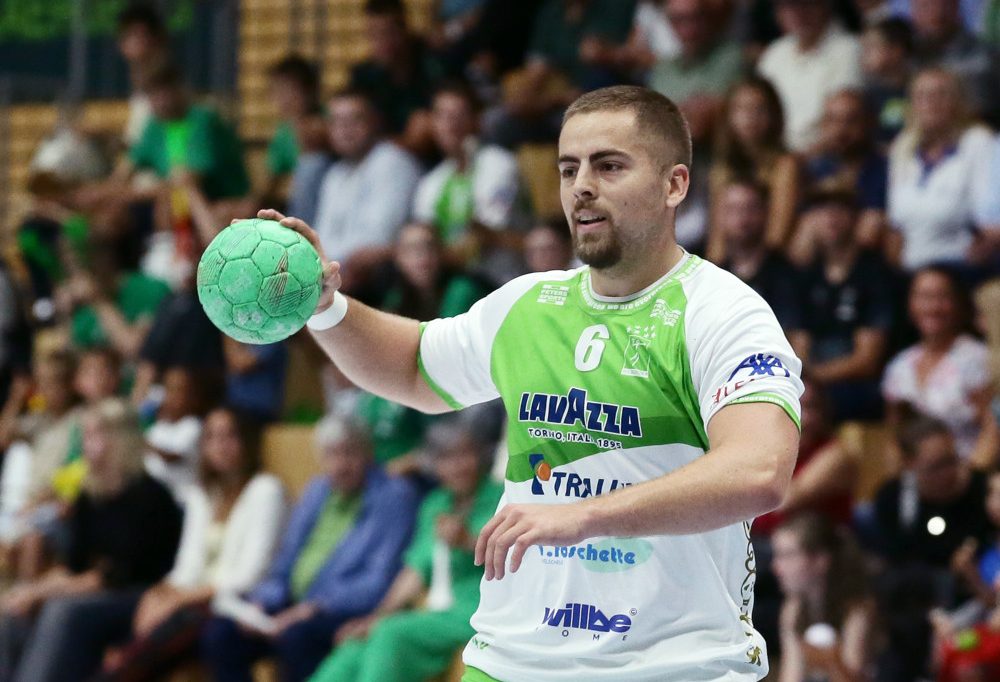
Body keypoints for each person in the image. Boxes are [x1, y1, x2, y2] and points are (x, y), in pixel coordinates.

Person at [257, 84, 803, 680]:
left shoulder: (722, 312)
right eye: (569, 169)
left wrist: (585, 514)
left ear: (675, 185)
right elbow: (412, 366)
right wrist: (326, 306)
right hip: (513, 659)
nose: (582, 186)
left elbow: (758, 470)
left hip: (670, 665)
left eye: (610, 165)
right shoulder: (528, 303)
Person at [200, 414, 418, 682]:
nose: (340, 465)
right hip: (294, 604)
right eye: (331, 455)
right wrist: (261, 602)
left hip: (341, 609)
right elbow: (285, 559)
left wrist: (315, 607)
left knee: (296, 638)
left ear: (368, 453)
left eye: (349, 453)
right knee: (222, 634)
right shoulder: (318, 489)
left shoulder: (393, 496)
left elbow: (378, 580)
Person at [96, 408, 286, 681]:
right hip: (194, 604)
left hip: (236, 606)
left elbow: (250, 576)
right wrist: (160, 593)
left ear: (247, 441)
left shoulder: (267, 490)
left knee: (144, 651)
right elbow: (187, 568)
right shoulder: (202, 495)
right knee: (147, 618)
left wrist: (178, 599)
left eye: (229, 436)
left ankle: (119, 665)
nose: (220, 446)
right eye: (211, 437)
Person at [0, 398, 182, 682]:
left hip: (140, 595)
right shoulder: (89, 495)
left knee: (62, 611)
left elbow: (114, 576)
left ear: (120, 439)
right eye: (85, 434)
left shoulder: (150, 497)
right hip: (96, 590)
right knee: (15, 607)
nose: (85, 442)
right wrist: (30, 590)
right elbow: (73, 566)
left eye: (94, 433)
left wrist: (41, 593)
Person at [309, 419, 504, 682]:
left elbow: (516, 556)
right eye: (448, 458)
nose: (459, 466)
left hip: (479, 610)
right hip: (436, 613)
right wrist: (375, 618)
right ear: (435, 465)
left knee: (391, 634)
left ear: (480, 455)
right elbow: (414, 570)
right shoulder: (435, 504)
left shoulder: (502, 497)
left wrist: (468, 540)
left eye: (465, 454)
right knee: (354, 646)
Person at [797, 189, 895, 421]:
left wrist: (812, 377)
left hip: (856, 388)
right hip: (811, 383)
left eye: (839, 209)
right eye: (822, 210)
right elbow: (799, 342)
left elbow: (866, 360)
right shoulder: (807, 275)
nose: (831, 217)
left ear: (856, 217)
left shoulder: (874, 273)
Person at [887, 67, 996, 273]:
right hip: (912, 269)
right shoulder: (902, 146)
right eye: (921, 96)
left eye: (940, 95)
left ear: (959, 102)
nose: (930, 103)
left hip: (960, 265)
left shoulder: (979, 142)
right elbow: (896, 225)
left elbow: (992, 222)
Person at [882, 267, 994, 466]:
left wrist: (971, 478)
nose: (933, 307)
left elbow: (992, 428)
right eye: (924, 297)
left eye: (942, 297)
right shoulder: (899, 367)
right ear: (910, 304)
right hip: (918, 481)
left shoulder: (977, 360)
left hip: (966, 474)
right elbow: (894, 433)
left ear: (959, 304)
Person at [311, 89, 423, 286]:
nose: (344, 130)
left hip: (383, 276)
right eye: (336, 122)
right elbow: (321, 239)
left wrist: (331, 269)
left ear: (374, 122)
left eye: (354, 120)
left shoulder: (392, 162)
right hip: (337, 273)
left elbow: (380, 240)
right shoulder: (334, 174)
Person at [412, 83, 527, 269]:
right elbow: (423, 237)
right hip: (451, 281)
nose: (451, 123)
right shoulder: (430, 183)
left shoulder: (499, 164)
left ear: (476, 120)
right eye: (442, 115)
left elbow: (484, 237)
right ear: (432, 123)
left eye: (459, 114)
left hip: (500, 279)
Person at [772, 514, 876, 682]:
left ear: (821, 560)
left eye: (788, 555)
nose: (776, 567)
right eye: (777, 555)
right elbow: (791, 676)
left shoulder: (857, 609)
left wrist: (831, 662)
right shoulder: (792, 609)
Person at [706, 78, 801, 263]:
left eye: (760, 109)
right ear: (728, 115)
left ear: (774, 115)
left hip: (774, 265)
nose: (750, 117)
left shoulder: (785, 165)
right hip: (734, 264)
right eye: (741, 109)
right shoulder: (721, 168)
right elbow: (717, 241)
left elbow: (777, 237)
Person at [756, 0, 863, 152]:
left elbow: (842, 126)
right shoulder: (774, 53)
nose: (797, 13)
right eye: (788, 6)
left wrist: (796, 163)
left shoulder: (849, 50)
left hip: (823, 160)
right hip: (774, 157)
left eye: (806, 4)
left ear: (825, 5)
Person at [715, 178, 805, 339]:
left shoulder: (787, 275)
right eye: (733, 209)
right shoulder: (712, 277)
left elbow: (794, 339)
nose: (742, 218)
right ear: (719, 217)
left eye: (751, 208)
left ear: (766, 213)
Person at [861, 17, 913, 147]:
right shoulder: (867, 96)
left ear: (895, 51)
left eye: (871, 47)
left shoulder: (917, 91)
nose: (864, 54)